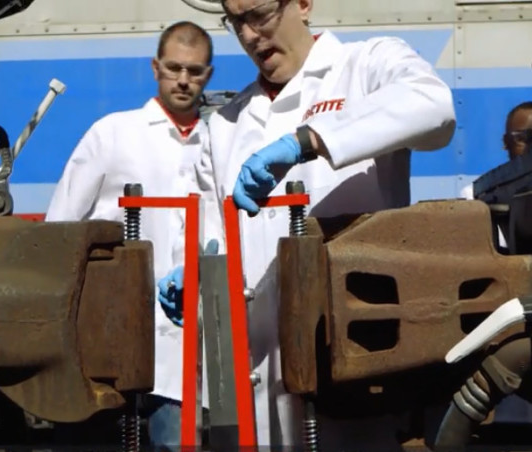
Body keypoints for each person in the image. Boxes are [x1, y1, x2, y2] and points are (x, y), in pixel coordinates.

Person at [160, 0, 456, 447]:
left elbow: (435, 108)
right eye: (236, 21)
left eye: (259, 14)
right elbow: (211, 238)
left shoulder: (367, 65)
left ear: (302, 4)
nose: (249, 35)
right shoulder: (224, 125)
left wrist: (310, 140)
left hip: (357, 378)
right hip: (257, 394)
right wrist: (198, 276)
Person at [45, 21, 216, 449]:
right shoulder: (113, 134)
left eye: (194, 71)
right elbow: (60, 229)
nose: (183, 80)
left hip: (183, 355)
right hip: (104, 342)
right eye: (174, 68)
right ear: (155, 67)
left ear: (208, 75)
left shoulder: (219, 144)